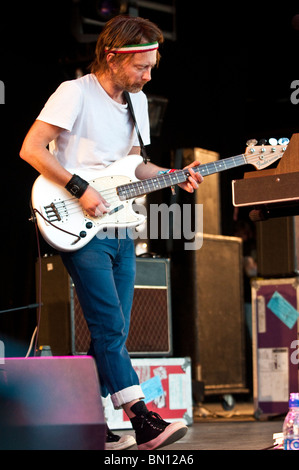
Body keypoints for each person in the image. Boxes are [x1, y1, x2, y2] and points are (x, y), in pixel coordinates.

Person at [20, 15, 203, 450]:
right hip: (78, 223)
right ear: (111, 56)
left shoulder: (138, 103)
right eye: (141, 66)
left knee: (112, 331)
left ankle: (85, 422)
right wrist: (78, 188)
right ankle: (143, 420)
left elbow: (133, 166)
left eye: (152, 66)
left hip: (120, 224)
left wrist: (171, 175)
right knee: (109, 326)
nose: (148, 75)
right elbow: (30, 149)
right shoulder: (74, 93)